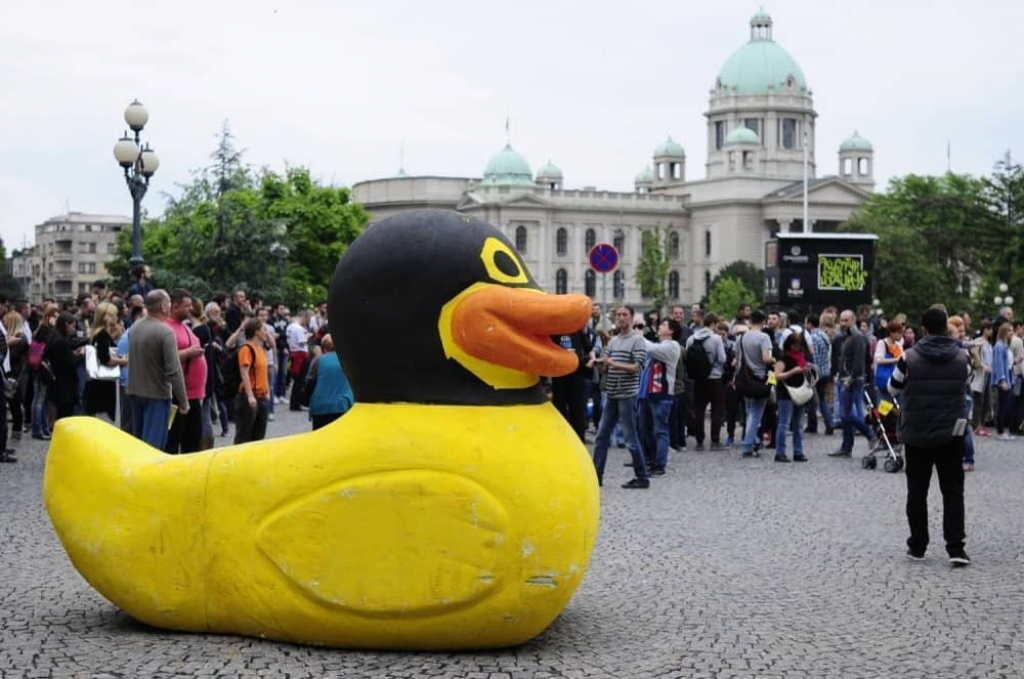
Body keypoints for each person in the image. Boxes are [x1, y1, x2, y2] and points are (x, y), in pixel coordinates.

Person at [888, 307, 971, 566]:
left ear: (923, 329)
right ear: (946, 326)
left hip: (917, 433)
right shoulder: (962, 356)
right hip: (951, 433)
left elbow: (892, 387)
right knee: (953, 492)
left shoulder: (909, 357)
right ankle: (956, 547)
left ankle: (918, 545)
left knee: (917, 492)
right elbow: (967, 381)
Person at [591, 305, 649, 489]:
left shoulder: (638, 341)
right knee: (601, 436)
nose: (621, 318)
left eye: (624, 315)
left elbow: (637, 368)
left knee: (631, 439)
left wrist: (613, 363)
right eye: (618, 315)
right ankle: (596, 476)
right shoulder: (614, 341)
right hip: (612, 393)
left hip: (627, 394)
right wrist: (598, 363)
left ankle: (642, 477)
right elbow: (606, 361)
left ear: (631, 318)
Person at [128, 290, 189, 451]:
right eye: (169, 303)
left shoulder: (135, 326)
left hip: (135, 391)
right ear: (163, 306)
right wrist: (183, 401)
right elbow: (173, 370)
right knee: (153, 446)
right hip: (157, 394)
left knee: (138, 442)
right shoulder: (165, 332)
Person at [164, 290, 208, 454]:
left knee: (194, 440)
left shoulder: (185, 326)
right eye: (187, 305)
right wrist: (189, 353)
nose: (191, 308)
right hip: (178, 394)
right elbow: (164, 359)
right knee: (174, 439)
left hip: (194, 394)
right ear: (175, 307)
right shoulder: (166, 328)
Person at [829, 309, 876, 458]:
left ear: (853, 320)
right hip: (844, 379)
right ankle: (846, 446)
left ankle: (870, 434)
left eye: (846, 320)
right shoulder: (847, 337)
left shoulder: (857, 338)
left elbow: (859, 362)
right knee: (845, 415)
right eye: (841, 320)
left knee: (846, 414)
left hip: (851, 380)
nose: (843, 323)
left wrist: (850, 379)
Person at [638, 319, 683, 475]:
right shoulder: (657, 346)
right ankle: (649, 460)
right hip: (647, 392)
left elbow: (650, 348)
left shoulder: (672, 346)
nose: (659, 327)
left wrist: (637, 335)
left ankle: (660, 464)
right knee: (645, 429)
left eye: (663, 325)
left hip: (662, 394)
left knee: (660, 430)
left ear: (671, 331)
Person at [685, 311, 727, 451]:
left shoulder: (692, 338)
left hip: (698, 379)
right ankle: (715, 441)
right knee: (717, 410)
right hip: (714, 378)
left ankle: (699, 442)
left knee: (699, 410)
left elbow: (687, 357)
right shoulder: (716, 339)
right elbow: (722, 358)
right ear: (714, 323)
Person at [737, 310, 775, 458]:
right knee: (756, 413)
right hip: (760, 379)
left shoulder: (742, 337)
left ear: (750, 320)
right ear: (763, 321)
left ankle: (754, 440)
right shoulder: (764, 337)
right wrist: (774, 359)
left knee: (749, 412)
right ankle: (747, 445)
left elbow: (738, 358)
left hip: (746, 379)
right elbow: (766, 358)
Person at [550, 325, 595, 442]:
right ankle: (562, 439)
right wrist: (561, 353)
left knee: (578, 410)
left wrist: (592, 359)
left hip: (577, 374)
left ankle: (580, 440)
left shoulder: (576, 330)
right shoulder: (553, 331)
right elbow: (547, 351)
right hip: (559, 376)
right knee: (559, 409)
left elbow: (589, 348)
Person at [84, 302, 127, 422]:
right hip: (103, 384)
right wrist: (123, 361)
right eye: (114, 315)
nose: (116, 317)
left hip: (99, 383)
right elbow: (105, 359)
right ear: (106, 317)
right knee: (105, 420)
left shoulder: (97, 333)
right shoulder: (102, 334)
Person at [774, 333, 813, 463]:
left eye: (800, 345)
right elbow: (776, 376)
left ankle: (798, 452)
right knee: (784, 424)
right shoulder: (783, 358)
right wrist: (793, 372)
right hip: (786, 394)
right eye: (795, 345)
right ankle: (780, 452)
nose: (798, 348)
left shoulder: (802, 357)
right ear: (789, 345)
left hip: (801, 393)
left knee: (799, 425)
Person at [306, 334, 354, 430]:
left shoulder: (318, 360)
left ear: (323, 348)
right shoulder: (348, 360)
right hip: (342, 405)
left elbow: (309, 382)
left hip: (320, 407)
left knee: (320, 440)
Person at [235, 318, 271, 444]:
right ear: (256, 332)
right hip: (249, 397)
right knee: (244, 435)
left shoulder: (260, 350)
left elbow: (263, 373)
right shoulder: (246, 349)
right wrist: (250, 396)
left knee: (258, 435)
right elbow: (244, 373)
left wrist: (267, 392)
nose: (266, 332)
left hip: (261, 396)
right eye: (264, 329)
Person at [45, 312, 85, 421]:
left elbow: (64, 357)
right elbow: (71, 362)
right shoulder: (62, 341)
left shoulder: (54, 336)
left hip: (58, 383)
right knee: (65, 415)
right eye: (73, 326)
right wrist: (81, 354)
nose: (74, 329)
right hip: (65, 385)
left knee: (61, 414)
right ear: (67, 324)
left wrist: (73, 353)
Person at [30, 305, 59, 440]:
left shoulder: (43, 329)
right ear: (49, 316)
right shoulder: (45, 330)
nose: (57, 317)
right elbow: (51, 345)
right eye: (55, 315)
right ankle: (38, 429)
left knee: (43, 400)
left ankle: (43, 427)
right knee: (39, 400)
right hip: (42, 369)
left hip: (42, 368)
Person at [804, 314, 834, 435]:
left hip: (815, 372)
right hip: (826, 371)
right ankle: (829, 422)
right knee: (822, 399)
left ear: (810, 324)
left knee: (812, 399)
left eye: (806, 323)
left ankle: (812, 425)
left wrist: (809, 375)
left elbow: (813, 357)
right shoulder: (823, 335)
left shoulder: (812, 337)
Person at [3, 310, 30, 441]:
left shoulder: (20, 339)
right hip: (12, 374)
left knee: (15, 405)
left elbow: (11, 357)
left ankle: (17, 432)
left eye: (6, 321)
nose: (4, 323)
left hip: (16, 376)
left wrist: (6, 345)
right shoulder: (12, 337)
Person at [992, 323, 1016, 441]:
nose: (1012, 333)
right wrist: (1002, 380)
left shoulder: (1005, 345)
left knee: (1005, 406)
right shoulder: (1000, 346)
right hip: (1004, 380)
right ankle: (1000, 431)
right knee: (1002, 406)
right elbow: (999, 364)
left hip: (1008, 378)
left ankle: (1002, 430)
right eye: (1009, 330)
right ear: (1004, 332)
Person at [969, 320, 993, 436]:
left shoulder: (989, 343)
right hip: (980, 374)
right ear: (985, 329)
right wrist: (982, 365)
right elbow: (974, 356)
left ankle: (981, 424)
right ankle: (976, 424)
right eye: (989, 329)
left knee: (987, 401)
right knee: (979, 400)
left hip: (988, 374)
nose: (991, 331)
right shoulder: (978, 341)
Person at [287, 310, 312, 411]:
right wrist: (308, 336)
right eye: (308, 319)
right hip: (300, 355)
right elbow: (302, 341)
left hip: (293, 353)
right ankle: (296, 403)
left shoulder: (290, 327)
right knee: (300, 381)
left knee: (297, 380)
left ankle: (294, 402)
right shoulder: (298, 328)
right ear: (304, 317)